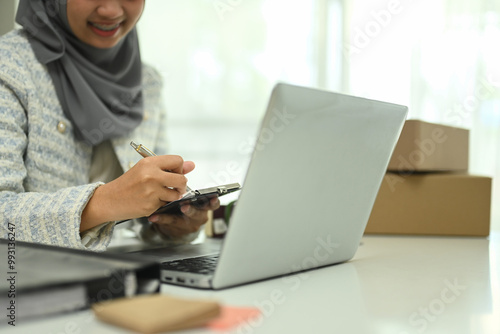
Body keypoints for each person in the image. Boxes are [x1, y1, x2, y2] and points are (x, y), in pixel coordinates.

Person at [0, 0, 219, 251]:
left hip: (124, 275)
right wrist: (105, 203)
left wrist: (172, 225)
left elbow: (141, 228)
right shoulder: (8, 67)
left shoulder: (147, 82)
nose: (111, 12)